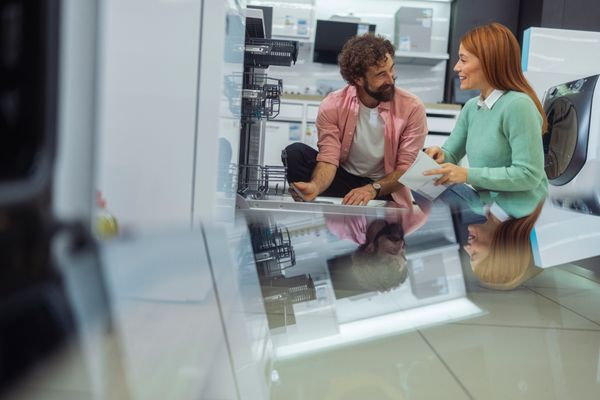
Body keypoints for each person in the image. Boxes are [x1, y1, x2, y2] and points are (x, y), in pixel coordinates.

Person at [284, 34, 428, 207]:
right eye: (381, 74)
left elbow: (406, 170)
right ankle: (314, 196)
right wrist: (315, 186)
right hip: (344, 180)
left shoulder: (412, 107)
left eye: (391, 69)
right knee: (295, 153)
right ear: (358, 79)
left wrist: (372, 189)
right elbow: (329, 158)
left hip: (383, 188)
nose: (391, 79)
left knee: (380, 232)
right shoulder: (332, 105)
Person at [424, 22, 548, 219]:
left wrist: (467, 174)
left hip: (519, 215)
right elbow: (451, 154)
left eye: (463, 60)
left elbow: (528, 175)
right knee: (424, 182)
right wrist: (440, 155)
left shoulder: (518, 105)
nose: (457, 67)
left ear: (490, 62)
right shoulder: (472, 107)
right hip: (487, 207)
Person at [464, 201, 544, 290]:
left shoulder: (480, 205)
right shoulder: (522, 204)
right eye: (474, 254)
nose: (466, 247)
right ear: (499, 247)